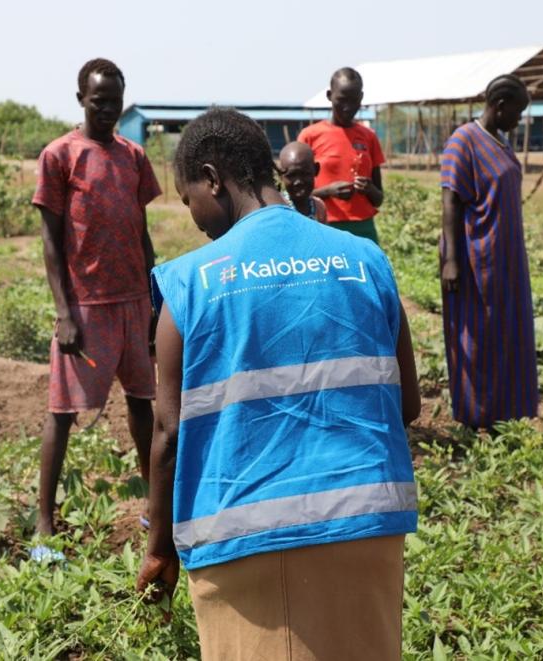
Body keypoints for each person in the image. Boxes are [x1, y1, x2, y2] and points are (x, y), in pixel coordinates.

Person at [136, 108, 420, 660]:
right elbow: (405, 404)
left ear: (213, 179)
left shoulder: (190, 284)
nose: (195, 219)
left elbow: (168, 435)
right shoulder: (366, 260)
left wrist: (159, 549)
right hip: (369, 524)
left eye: (188, 198)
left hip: (245, 539)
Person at [32, 58, 162, 550]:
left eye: (115, 101)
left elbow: (141, 232)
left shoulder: (133, 156)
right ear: (81, 99)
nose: (107, 109)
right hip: (86, 306)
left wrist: (154, 300)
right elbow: (50, 240)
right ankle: (44, 521)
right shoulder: (60, 155)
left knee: (143, 404)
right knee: (62, 412)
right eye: (98, 100)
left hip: (133, 300)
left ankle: (155, 505)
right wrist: (65, 312)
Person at [439, 74, 538, 429]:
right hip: (473, 257)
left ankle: (504, 415)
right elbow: (450, 200)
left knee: (507, 333)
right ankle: (474, 417)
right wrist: (452, 260)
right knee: (475, 338)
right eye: (517, 112)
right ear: (499, 106)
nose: (519, 119)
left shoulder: (502, 142)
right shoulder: (463, 141)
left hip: (506, 258)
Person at [298, 67, 385, 243]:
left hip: (363, 229)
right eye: (342, 100)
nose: (348, 107)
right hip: (324, 226)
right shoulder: (310, 136)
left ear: (361, 98)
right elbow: (296, 193)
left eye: (354, 100)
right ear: (329, 96)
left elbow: (378, 199)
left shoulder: (369, 137)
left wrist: (369, 189)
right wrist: (328, 191)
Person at [278, 141, 326, 222]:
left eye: (305, 174)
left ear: (316, 170)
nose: (298, 182)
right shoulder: (278, 209)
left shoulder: (319, 207)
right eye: (291, 175)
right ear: (280, 175)